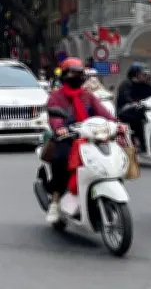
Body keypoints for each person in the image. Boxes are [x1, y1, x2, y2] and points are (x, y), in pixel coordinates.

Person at [45, 57, 122, 224]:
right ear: (64, 75)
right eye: (73, 73)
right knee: (61, 161)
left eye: (80, 73)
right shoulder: (56, 97)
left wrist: (116, 123)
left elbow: (104, 113)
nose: (77, 76)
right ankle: (55, 203)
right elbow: (54, 117)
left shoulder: (87, 95)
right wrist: (60, 128)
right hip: (68, 138)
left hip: (91, 137)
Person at [115, 62, 151, 151]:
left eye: (146, 74)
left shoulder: (147, 86)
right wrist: (134, 103)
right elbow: (125, 97)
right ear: (135, 74)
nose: (146, 76)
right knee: (138, 120)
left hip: (144, 110)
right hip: (127, 111)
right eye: (143, 74)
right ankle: (140, 141)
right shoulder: (126, 84)